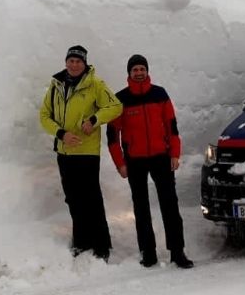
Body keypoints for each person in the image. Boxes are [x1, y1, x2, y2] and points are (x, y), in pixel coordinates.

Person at [107, 54, 194, 269]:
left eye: (141, 69)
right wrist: (120, 163)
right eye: (135, 69)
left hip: (161, 158)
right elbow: (111, 135)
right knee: (141, 207)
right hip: (134, 161)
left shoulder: (160, 94)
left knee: (170, 205)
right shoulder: (121, 99)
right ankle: (148, 253)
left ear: (147, 71)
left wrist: (174, 154)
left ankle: (177, 251)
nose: (139, 73)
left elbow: (172, 126)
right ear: (129, 73)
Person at [39, 45, 123, 261]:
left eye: (78, 61)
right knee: (73, 198)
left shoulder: (95, 84)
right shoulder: (56, 85)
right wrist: (60, 133)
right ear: (66, 62)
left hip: (86, 152)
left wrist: (94, 120)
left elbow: (115, 106)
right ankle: (81, 241)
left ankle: (102, 245)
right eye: (71, 60)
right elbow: (44, 116)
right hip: (65, 152)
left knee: (91, 198)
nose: (74, 64)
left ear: (84, 64)